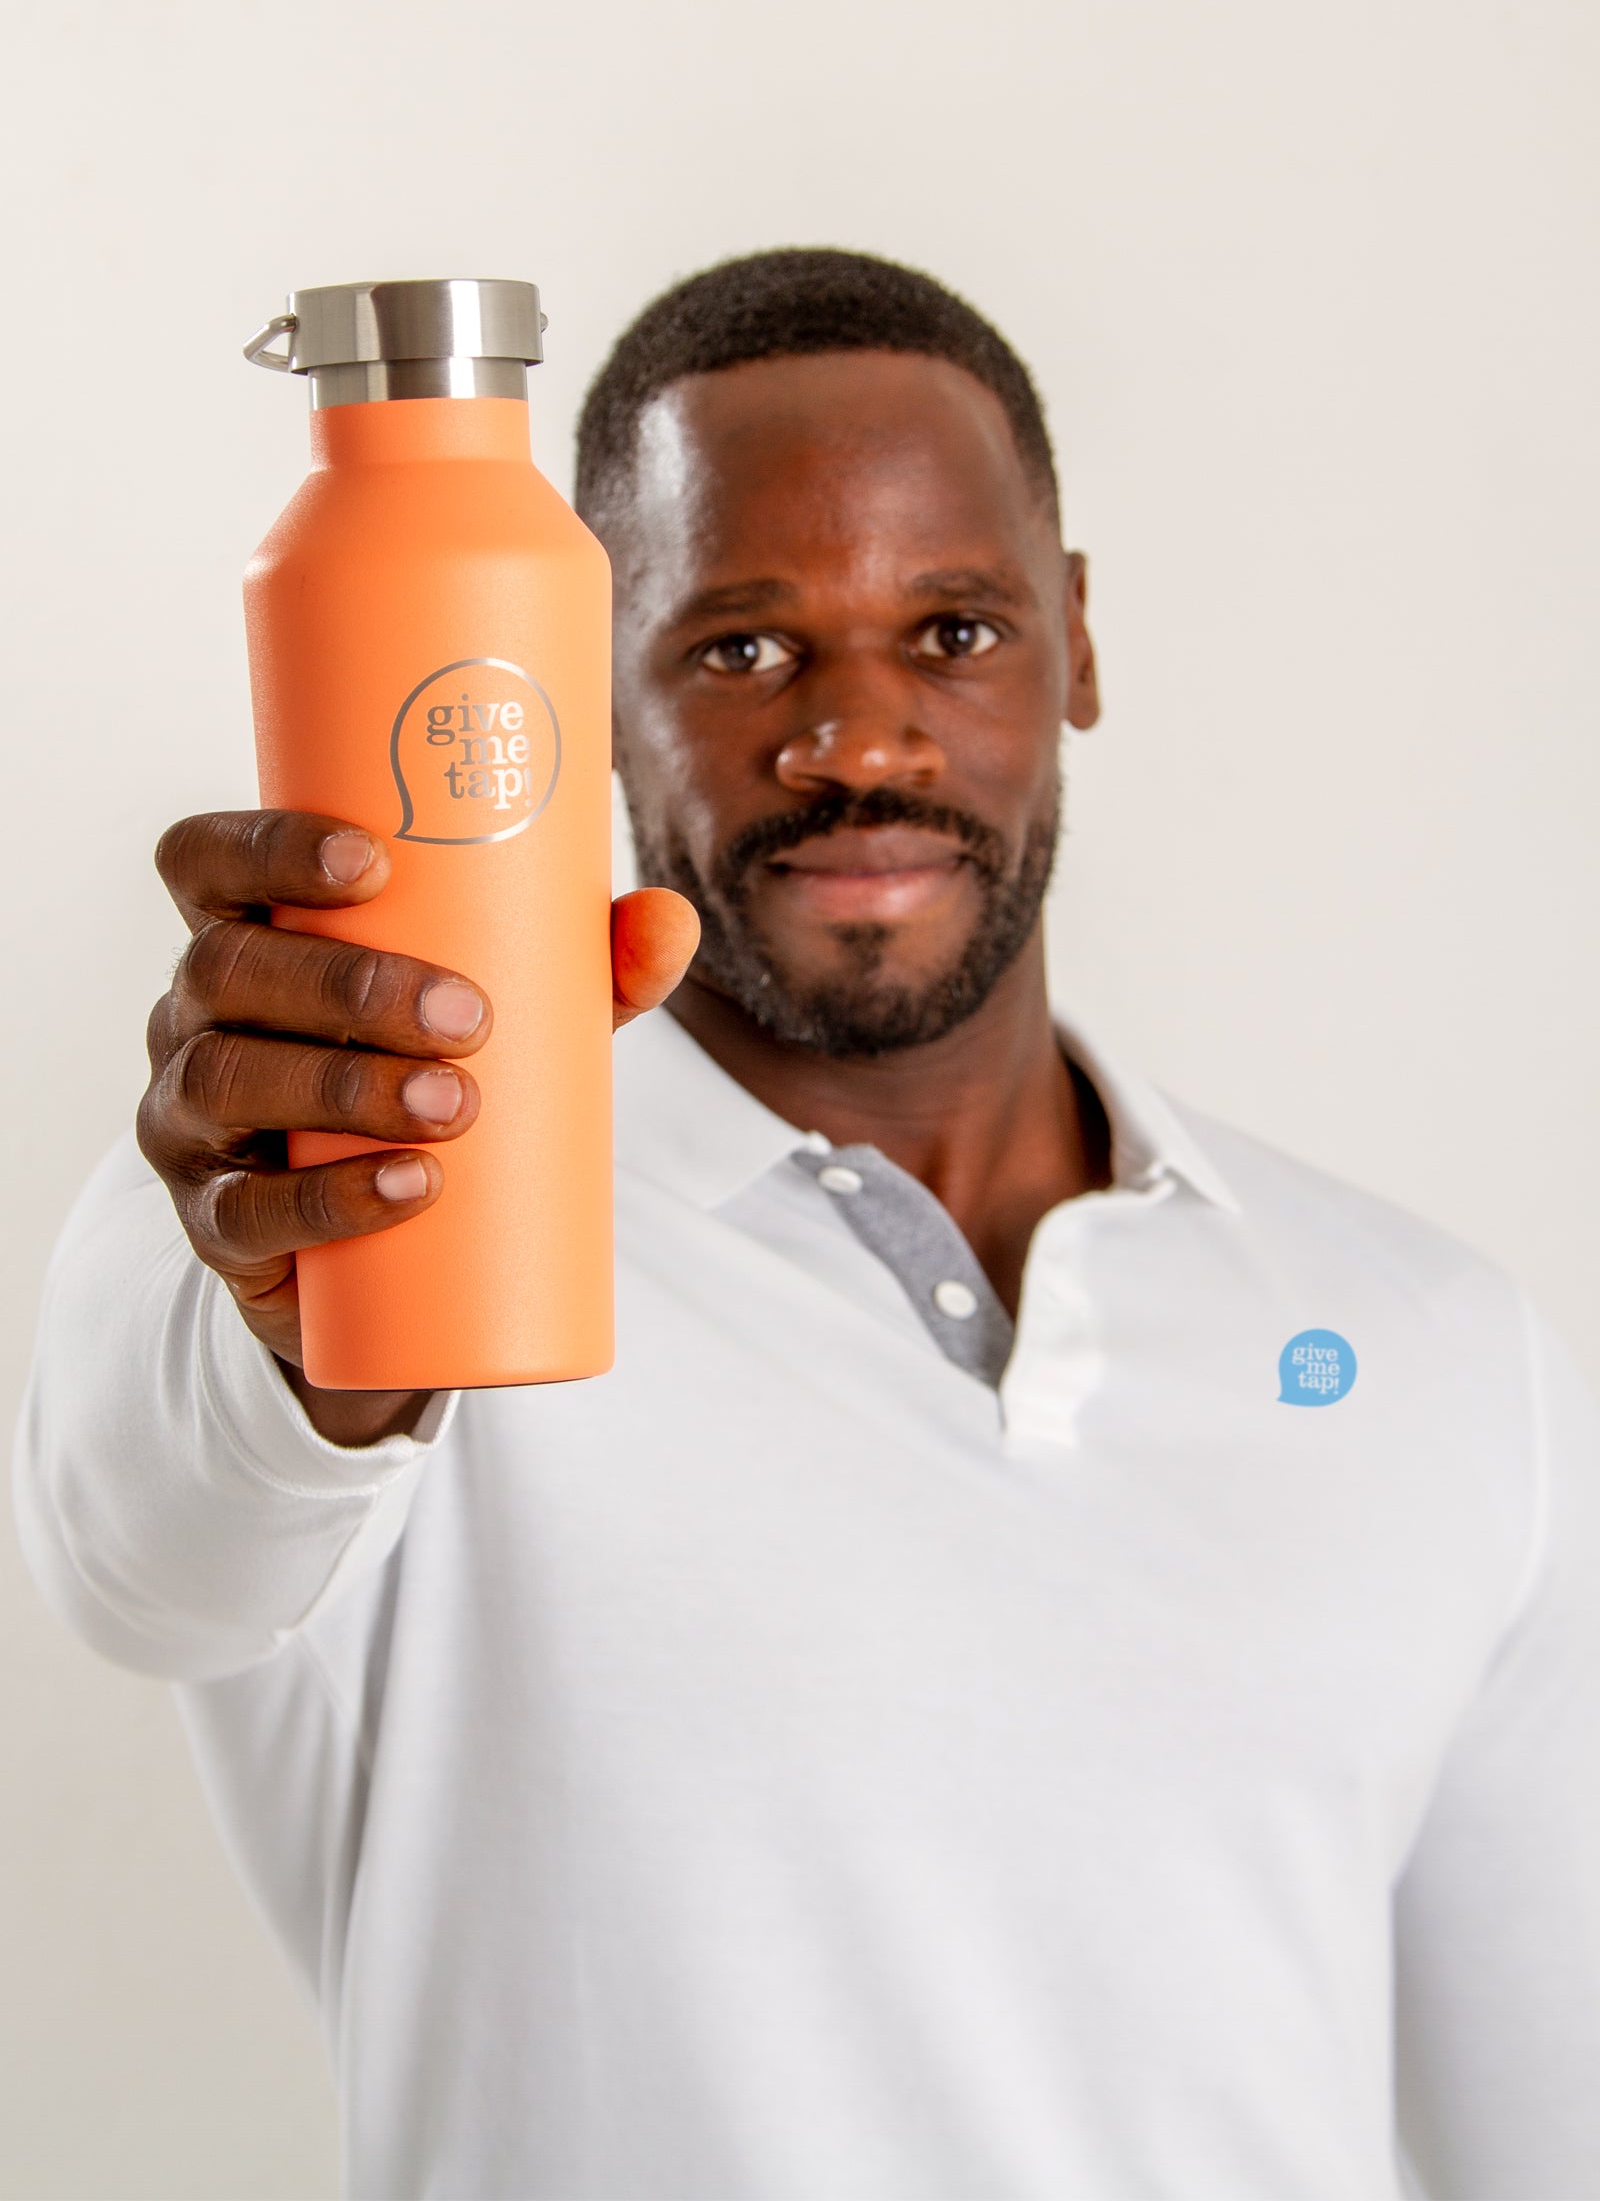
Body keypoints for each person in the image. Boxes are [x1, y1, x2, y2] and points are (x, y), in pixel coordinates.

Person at [16, 249, 1599, 2201]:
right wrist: (299, 1325)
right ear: (582, 679)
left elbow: (1541, 2134)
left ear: (1075, 643)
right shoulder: (349, 1212)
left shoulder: (1440, 1357)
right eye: (743, 648)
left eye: (949, 629)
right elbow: (150, 1559)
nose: (859, 740)